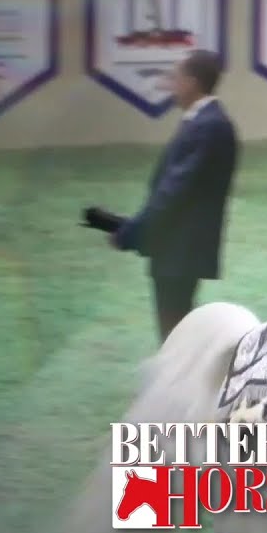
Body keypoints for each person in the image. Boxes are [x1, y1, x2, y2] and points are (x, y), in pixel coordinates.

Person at [111, 50, 238, 343]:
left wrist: (131, 231)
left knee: (174, 333)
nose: (171, 85)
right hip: (178, 247)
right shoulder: (204, 122)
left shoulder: (207, 126)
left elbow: (173, 192)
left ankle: (179, 386)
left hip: (180, 249)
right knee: (176, 329)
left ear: (192, 82)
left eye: (175, 78)